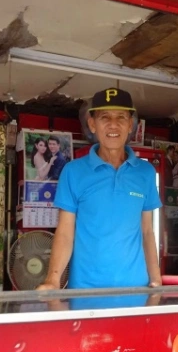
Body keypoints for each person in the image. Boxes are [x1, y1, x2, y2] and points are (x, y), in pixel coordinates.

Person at [37, 88, 162, 290]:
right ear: (92, 124)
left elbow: (147, 231)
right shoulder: (73, 171)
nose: (113, 124)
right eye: (105, 117)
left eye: (121, 117)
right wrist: (53, 280)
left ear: (130, 125)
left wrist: (156, 280)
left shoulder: (145, 173)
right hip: (85, 291)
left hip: (136, 290)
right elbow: (66, 232)